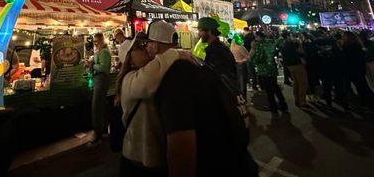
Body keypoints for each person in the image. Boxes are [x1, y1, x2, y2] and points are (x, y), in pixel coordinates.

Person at [148, 21, 258, 176]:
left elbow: (182, 148)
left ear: (155, 45)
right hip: (240, 160)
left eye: (200, 30)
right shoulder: (204, 59)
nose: (198, 34)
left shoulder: (177, 74)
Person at [116, 31, 195, 175]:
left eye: (144, 44)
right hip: (138, 158)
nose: (145, 48)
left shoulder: (155, 72)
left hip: (155, 157)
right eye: (138, 47)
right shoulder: (129, 79)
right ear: (128, 59)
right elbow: (148, 78)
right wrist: (175, 53)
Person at [251, 31, 288, 115]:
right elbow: (275, 52)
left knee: (269, 90)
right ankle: (283, 104)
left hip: (264, 70)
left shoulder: (259, 45)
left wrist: (253, 58)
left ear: (258, 36)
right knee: (275, 87)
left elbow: (258, 58)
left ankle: (273, 107)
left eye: (256, 37)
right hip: (272, 69)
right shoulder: (271, 43)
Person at [339, 31, 374, 110]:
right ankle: (368, 102)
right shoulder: (357, 45)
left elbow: (346, 58)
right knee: (362, 86)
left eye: (344, 36)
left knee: (361, 87)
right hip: (358, 69)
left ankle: (369, 102)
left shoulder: (350, 47)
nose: (342, 38)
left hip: (352, 70)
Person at [87, 32, 112, 147]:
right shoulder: (100, 51)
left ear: (102, 40)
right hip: (98, 80)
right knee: (100, 106)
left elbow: (104, 67)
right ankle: (103, 131)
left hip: (102, 80)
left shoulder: (105, 52)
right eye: (94, 41)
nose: (96, 43)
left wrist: (92, 65)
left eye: (97, 41)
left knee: (96, 106)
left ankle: (98, 135)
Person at [198, 17, 236, 82]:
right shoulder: (218, 47)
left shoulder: (216, 50)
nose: (198, 34)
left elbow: (215, 77)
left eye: (200, 31)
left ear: (209, 31)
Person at [281, 34, 308, 108]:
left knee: (296, 83)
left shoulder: (285, 45)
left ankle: (297, 100)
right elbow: (301, 52)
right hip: (297, 65)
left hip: (289, 66)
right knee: (303, 83)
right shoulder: (294, 44)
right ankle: (302, 101)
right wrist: (300, 44)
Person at [230, 34, 250, 98]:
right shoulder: (240, 47)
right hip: (242, 64)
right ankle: (243, 97)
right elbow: (248, 56)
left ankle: (239, 97)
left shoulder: (232, 47)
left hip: (236, 64)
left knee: (238, 82)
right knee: (243, 82)